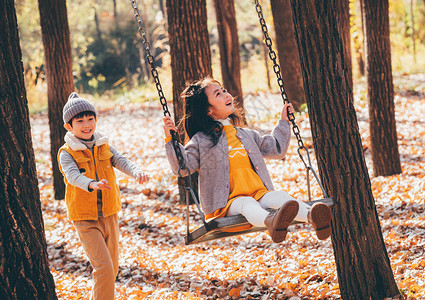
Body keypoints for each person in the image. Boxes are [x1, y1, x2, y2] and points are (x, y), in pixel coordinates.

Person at [162, 77, 331, 243]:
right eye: (218, 94)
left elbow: (276, 149)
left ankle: (313, 217)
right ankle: (271, 222)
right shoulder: (201, 141)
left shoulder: (246, 135)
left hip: (258, 194)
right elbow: (183, 167)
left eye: (224, 90)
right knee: (247, 203)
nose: (226, 94)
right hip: (225, 205)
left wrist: (284, 122)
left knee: (279, 196)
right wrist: (170, 140)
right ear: (208, 110)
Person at [58, 92, 149, 300]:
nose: (87, 124)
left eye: (90, 119)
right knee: (104, 268)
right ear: (69, 126)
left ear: (96, 120)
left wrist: (137, 172)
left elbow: (121, 160)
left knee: (112, 269)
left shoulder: (103, 144)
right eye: (80, 121)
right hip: (85, 217)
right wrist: (91, 184)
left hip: (109, 213)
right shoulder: (67, 152)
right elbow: (72, 176)